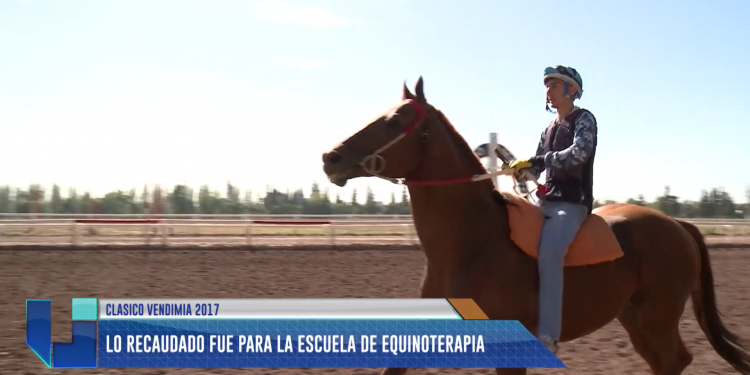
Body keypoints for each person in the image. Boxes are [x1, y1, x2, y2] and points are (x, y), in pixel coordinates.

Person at [508, 65, 598, 354]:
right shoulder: (547, 129)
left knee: (549, 253)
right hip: (544, 202)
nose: (548, 90)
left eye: (555, 85)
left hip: (572, 205)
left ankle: (547, 336)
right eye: (547, 86)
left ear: (572, 90)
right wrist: (522, 168)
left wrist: (540, 160)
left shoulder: (585, 119)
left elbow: (579, 154)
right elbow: (538, 163)